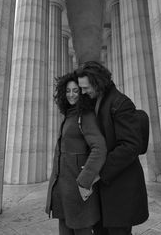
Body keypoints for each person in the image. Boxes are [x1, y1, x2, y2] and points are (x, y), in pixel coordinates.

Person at [76, 61, 149, 235]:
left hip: (121, 188)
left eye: (86, 88)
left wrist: (97, 172)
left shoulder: (121, 102)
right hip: (104, 190)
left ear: (98, 83)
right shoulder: (95, 101)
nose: (83, 92)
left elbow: (130, 146)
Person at [45, 72, 107, 235]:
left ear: (81, 93)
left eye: (75, 91)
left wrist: (84, 180)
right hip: (63, 190)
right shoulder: (69, 114)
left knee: (82, 230)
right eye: (67, 91)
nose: (71, 94)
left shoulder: (85, 115)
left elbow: (99, 148)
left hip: (77, 190)